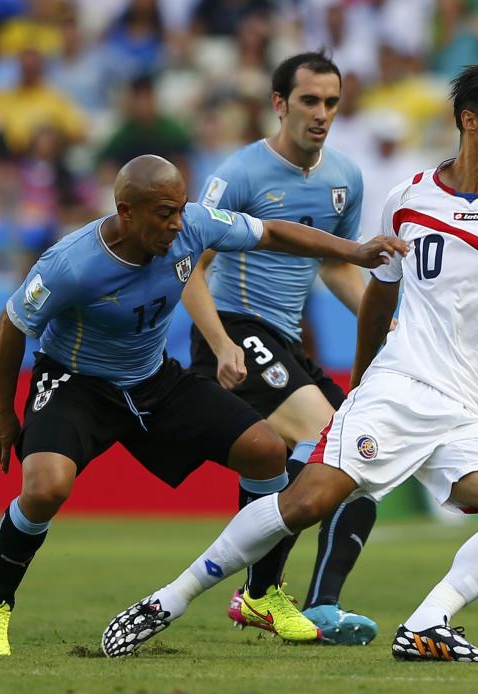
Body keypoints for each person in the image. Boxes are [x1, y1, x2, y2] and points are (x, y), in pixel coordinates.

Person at [101, 65, 478, 662]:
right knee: (305, 502)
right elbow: (378, 300)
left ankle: (427, 625)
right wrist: (362, 382)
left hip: (464, 412)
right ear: (469, 121)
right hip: (399, 387)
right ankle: (168, 600)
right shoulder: (407, 199)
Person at [0, 155, 407, 656]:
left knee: (265, 451)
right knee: (46, 488)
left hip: (153, 378)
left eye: (180, 208)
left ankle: (262, 594)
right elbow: (12, 324)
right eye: (163, 212)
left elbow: (274, 234)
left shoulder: (194, 225)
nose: (177, 223)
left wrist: (353, 251)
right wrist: (2, 409)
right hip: (77, 383)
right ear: (125, 211)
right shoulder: (70, 263)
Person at [185, 51, 378, 645]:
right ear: (279, 104)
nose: (322, 114)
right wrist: (219, 343)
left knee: (361, 463)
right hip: (238, 330)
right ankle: (262, 592)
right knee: (329, 440)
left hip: (286, 343)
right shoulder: (238, 175)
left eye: (331, 103)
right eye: (309, 102)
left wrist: (390, 324)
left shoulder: (345, 178)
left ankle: (315, 603)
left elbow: (338, 268)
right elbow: (190, 267)